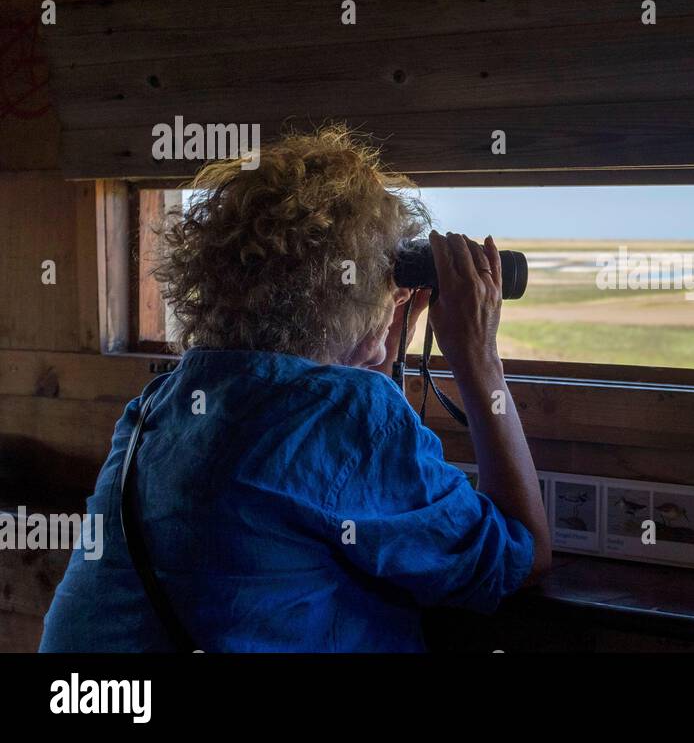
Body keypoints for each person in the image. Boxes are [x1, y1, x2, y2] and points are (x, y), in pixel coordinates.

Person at [39, 127, 550, 652]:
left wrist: (375, 352)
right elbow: (521, 557)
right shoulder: (347, 415)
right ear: (352, 290)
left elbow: (316, 477)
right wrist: (478, 358)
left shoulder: (157, 406)